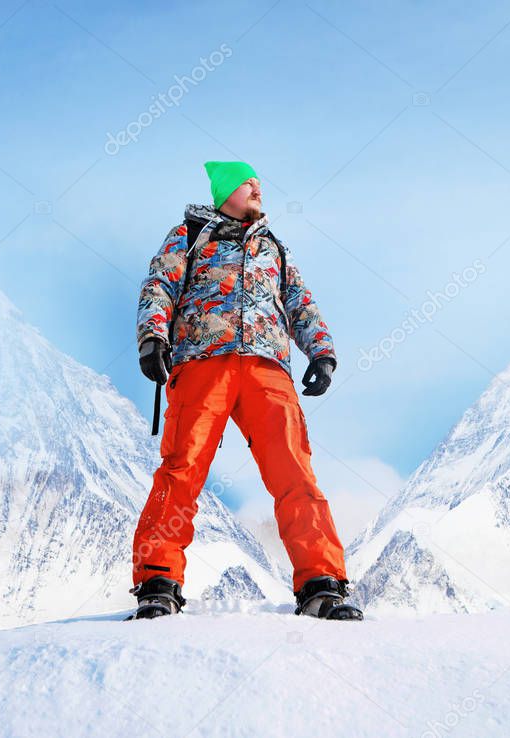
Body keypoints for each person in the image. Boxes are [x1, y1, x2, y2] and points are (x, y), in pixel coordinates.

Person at [130, 160, 362, 621]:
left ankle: (321, 583)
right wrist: (152, 336)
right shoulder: (190, 235)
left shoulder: (274, 246)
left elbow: (298, 299)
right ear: (223, 193)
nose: (256, 186)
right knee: (182, 468)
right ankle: (158, 581)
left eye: (258, 181)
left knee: (294, 470)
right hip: (202, 360)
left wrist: (322, 352)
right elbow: (160, 284)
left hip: (267, 367)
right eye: (245, 181)